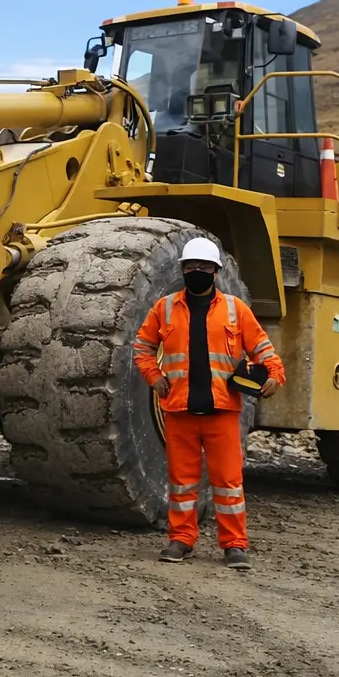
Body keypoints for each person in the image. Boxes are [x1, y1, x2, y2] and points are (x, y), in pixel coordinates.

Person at [132, 236, 285, 569]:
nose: (197, 271)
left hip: (222, 413)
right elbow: (142, 347)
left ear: (215, 272)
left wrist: (274, 374)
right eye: (191, 267)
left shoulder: (235, 310)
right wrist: (154, 379)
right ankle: (181, 540)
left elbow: (263, 349)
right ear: (183, 270)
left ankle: (234, 546)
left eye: (203, 267)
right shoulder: (165, 308)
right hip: (179, 410)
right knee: (182, 481)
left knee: (228, 483)